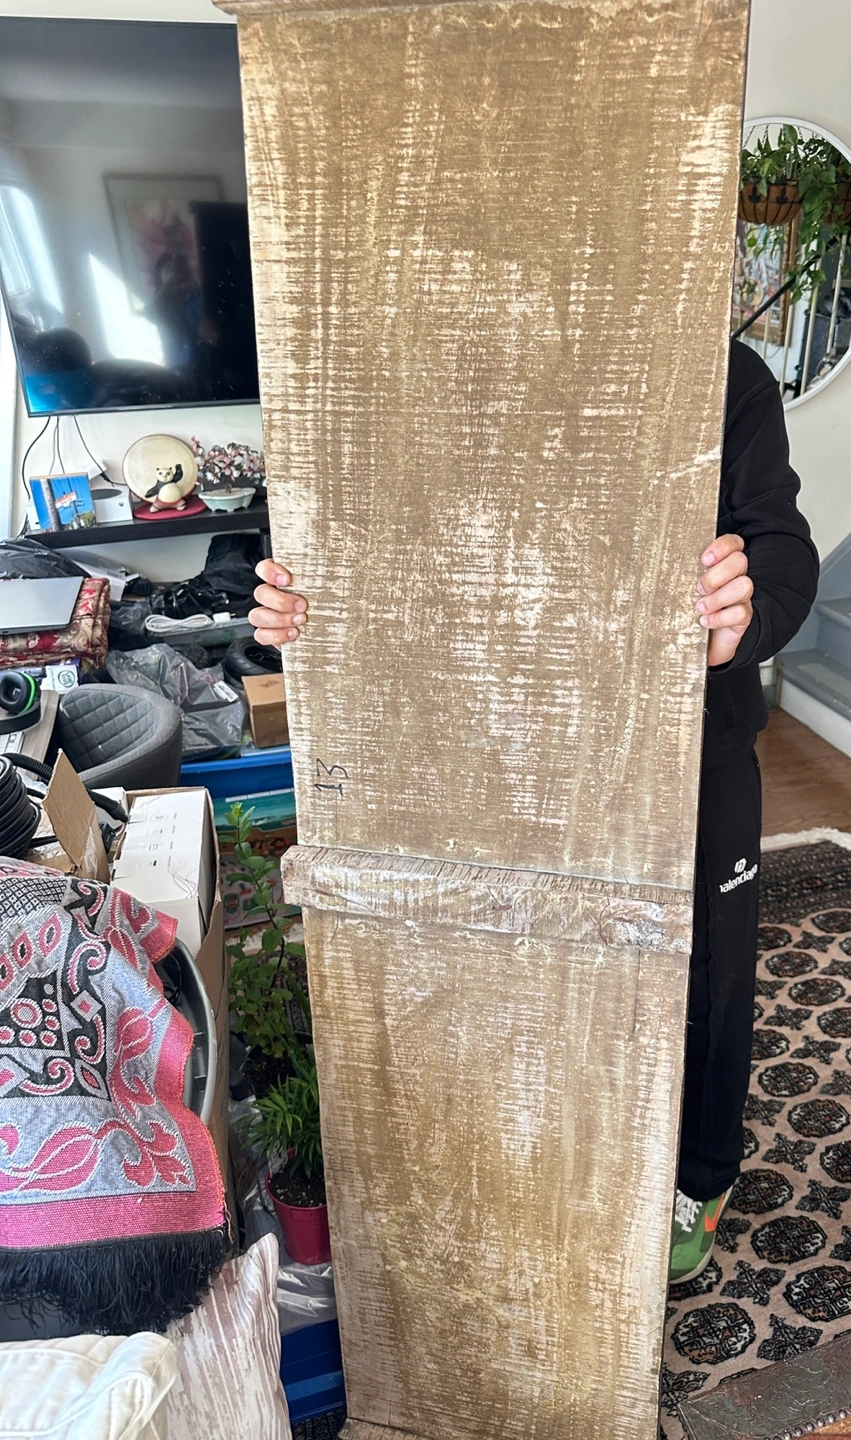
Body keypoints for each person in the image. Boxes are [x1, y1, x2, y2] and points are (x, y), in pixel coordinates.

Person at [249, 339, 818, 1286]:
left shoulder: (721, 370)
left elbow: (782, 542)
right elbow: (368, 538)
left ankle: (700, 1177)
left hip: (687, 737)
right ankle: (560, 1156)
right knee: (532, 962)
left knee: (705, 974)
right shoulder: (429, 357)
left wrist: (743, 613)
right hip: (500, 741)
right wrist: (297, 605)